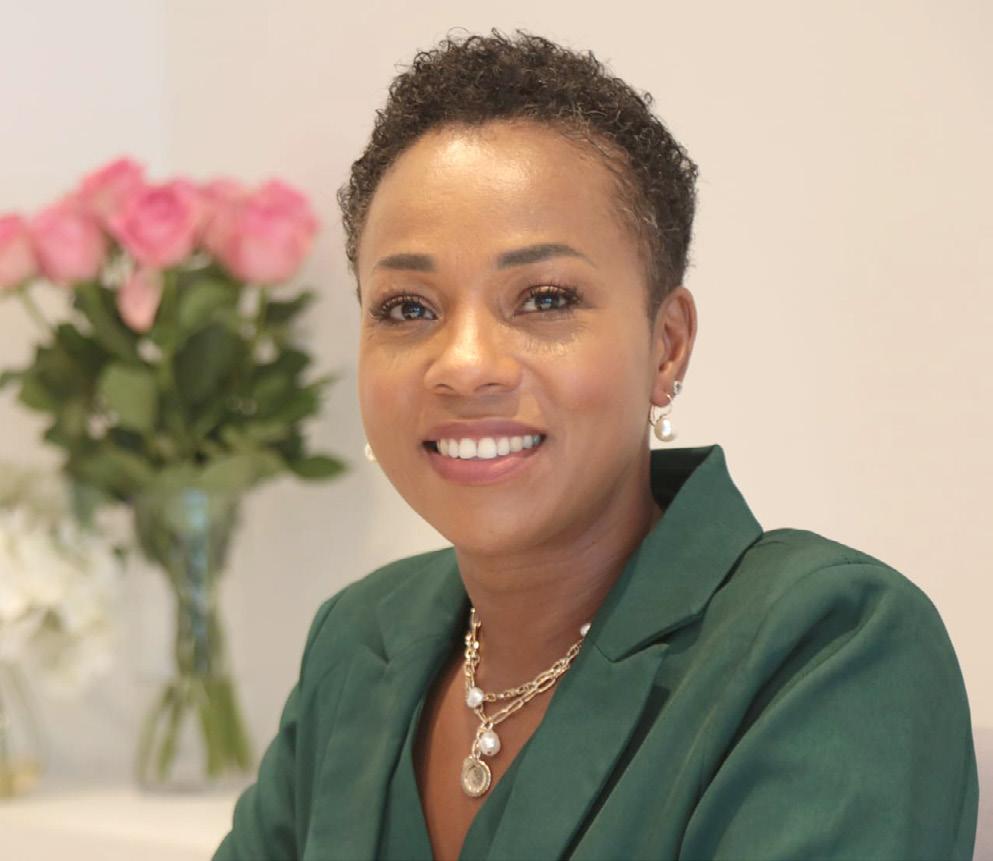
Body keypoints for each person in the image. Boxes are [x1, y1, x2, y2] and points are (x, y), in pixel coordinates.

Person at [212, 29, 978, 861]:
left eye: (544, 298)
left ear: (666, 346)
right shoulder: (359, 638)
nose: (464, 365)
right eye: (407, 307)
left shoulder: (827, 646)